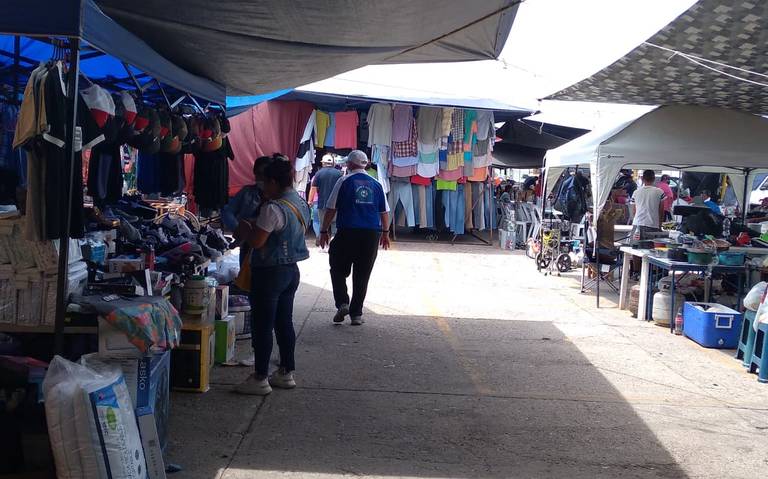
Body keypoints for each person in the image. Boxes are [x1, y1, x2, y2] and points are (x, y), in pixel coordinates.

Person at [233, 155, 311, 396]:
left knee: (262, 325)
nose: (263, 187)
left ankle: (259, 378)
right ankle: (286, 372)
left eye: (265, 182)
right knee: (283, 322)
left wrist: (246, 229)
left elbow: (257, 241)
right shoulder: (300, 202)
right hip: (291, 271)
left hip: (269, 272)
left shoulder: (273, 208)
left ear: (275, 182)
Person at [318, 150, 390, 326]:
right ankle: (356, 314)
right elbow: (384, 211)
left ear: (349, 164)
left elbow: (331, 208)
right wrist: (386, 233)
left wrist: (323, 230)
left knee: (337, 268)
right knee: (362, 274)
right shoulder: (376, 184)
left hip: (347, 232)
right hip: (371, 235)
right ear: (365, 164)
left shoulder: (343, 181)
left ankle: (343, 302)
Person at [223, 155, 274, 264]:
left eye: (264, 174)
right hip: (247, 245)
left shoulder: (278, 197)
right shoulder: (247, 192)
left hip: (271, 249)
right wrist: (238, 229)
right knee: (245, 277)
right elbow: (227, 211)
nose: (261, 178)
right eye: (258, 174)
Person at [308, 154, 342, 244]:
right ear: (333, 163)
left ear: (323, 163)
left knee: (323, 224)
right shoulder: (339, 173)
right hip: (336, 204)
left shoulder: (319, 173)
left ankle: (322, 242)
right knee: (335, 223)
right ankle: (333, 239)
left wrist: (310, 200)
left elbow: (313, 188)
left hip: (322, 203)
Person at [631, 170, 665, 241]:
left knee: (635, 248)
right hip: (653, 225)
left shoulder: (636, 192)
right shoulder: (660, 192)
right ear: (654, 179)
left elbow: (634, 211)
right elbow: (661, 211)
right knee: (651, 249)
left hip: (637, 224)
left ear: (642, 178)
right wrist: (660, 225)